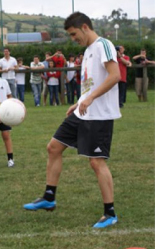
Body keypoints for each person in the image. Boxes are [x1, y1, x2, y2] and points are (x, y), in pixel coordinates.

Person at [23, 12, 122, 229]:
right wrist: (79, 102)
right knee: (53, 147)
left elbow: (115, 76)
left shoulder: (104, 45)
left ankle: (110, 213)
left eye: (73, 34)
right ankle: (49, 197)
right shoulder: (87, 51)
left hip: (99, 115)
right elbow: (91, 83)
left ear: (85, 27)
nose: (73, 39)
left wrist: (91, 99)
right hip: (83, 111)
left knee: (96, 162)